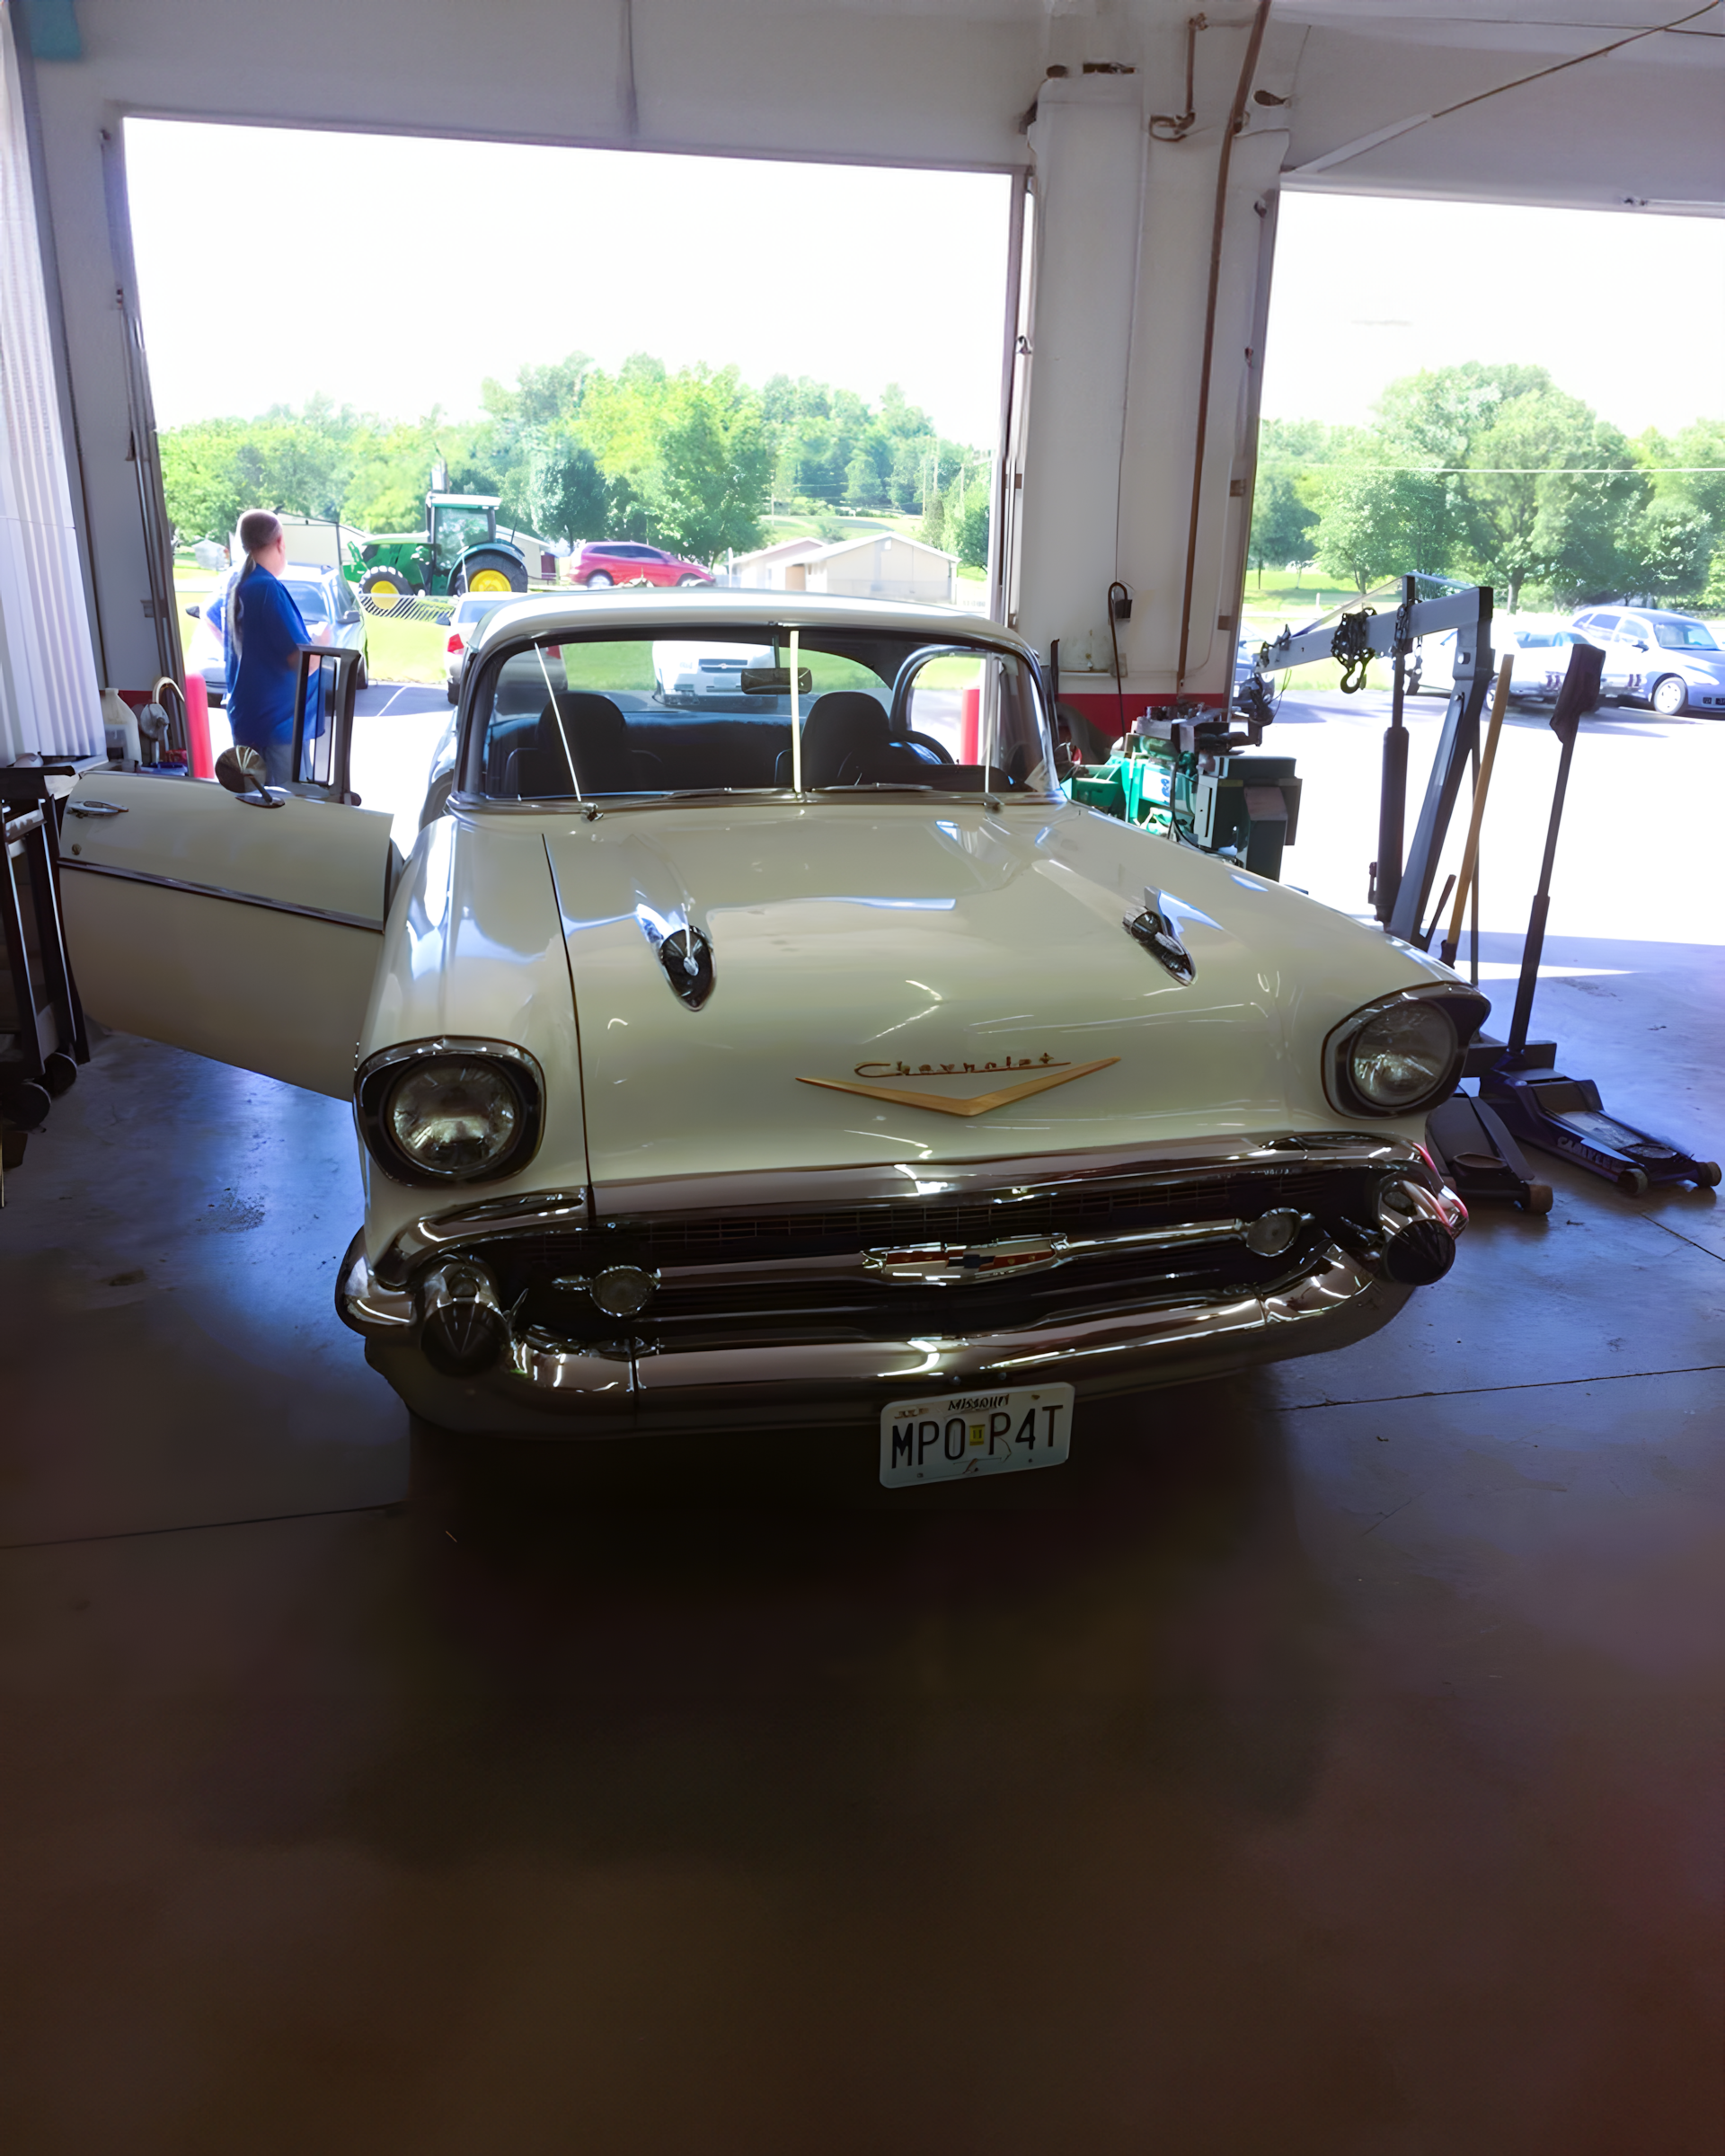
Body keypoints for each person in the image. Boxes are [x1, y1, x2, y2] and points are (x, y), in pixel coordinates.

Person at [224, 509, 320, 786]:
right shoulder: (267, 589)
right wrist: (323, 642)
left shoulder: (237, 585)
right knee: (284, 812)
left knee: (256, 806)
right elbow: (302, 660)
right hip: (276, 728)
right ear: (280, 542)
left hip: (249, 721)